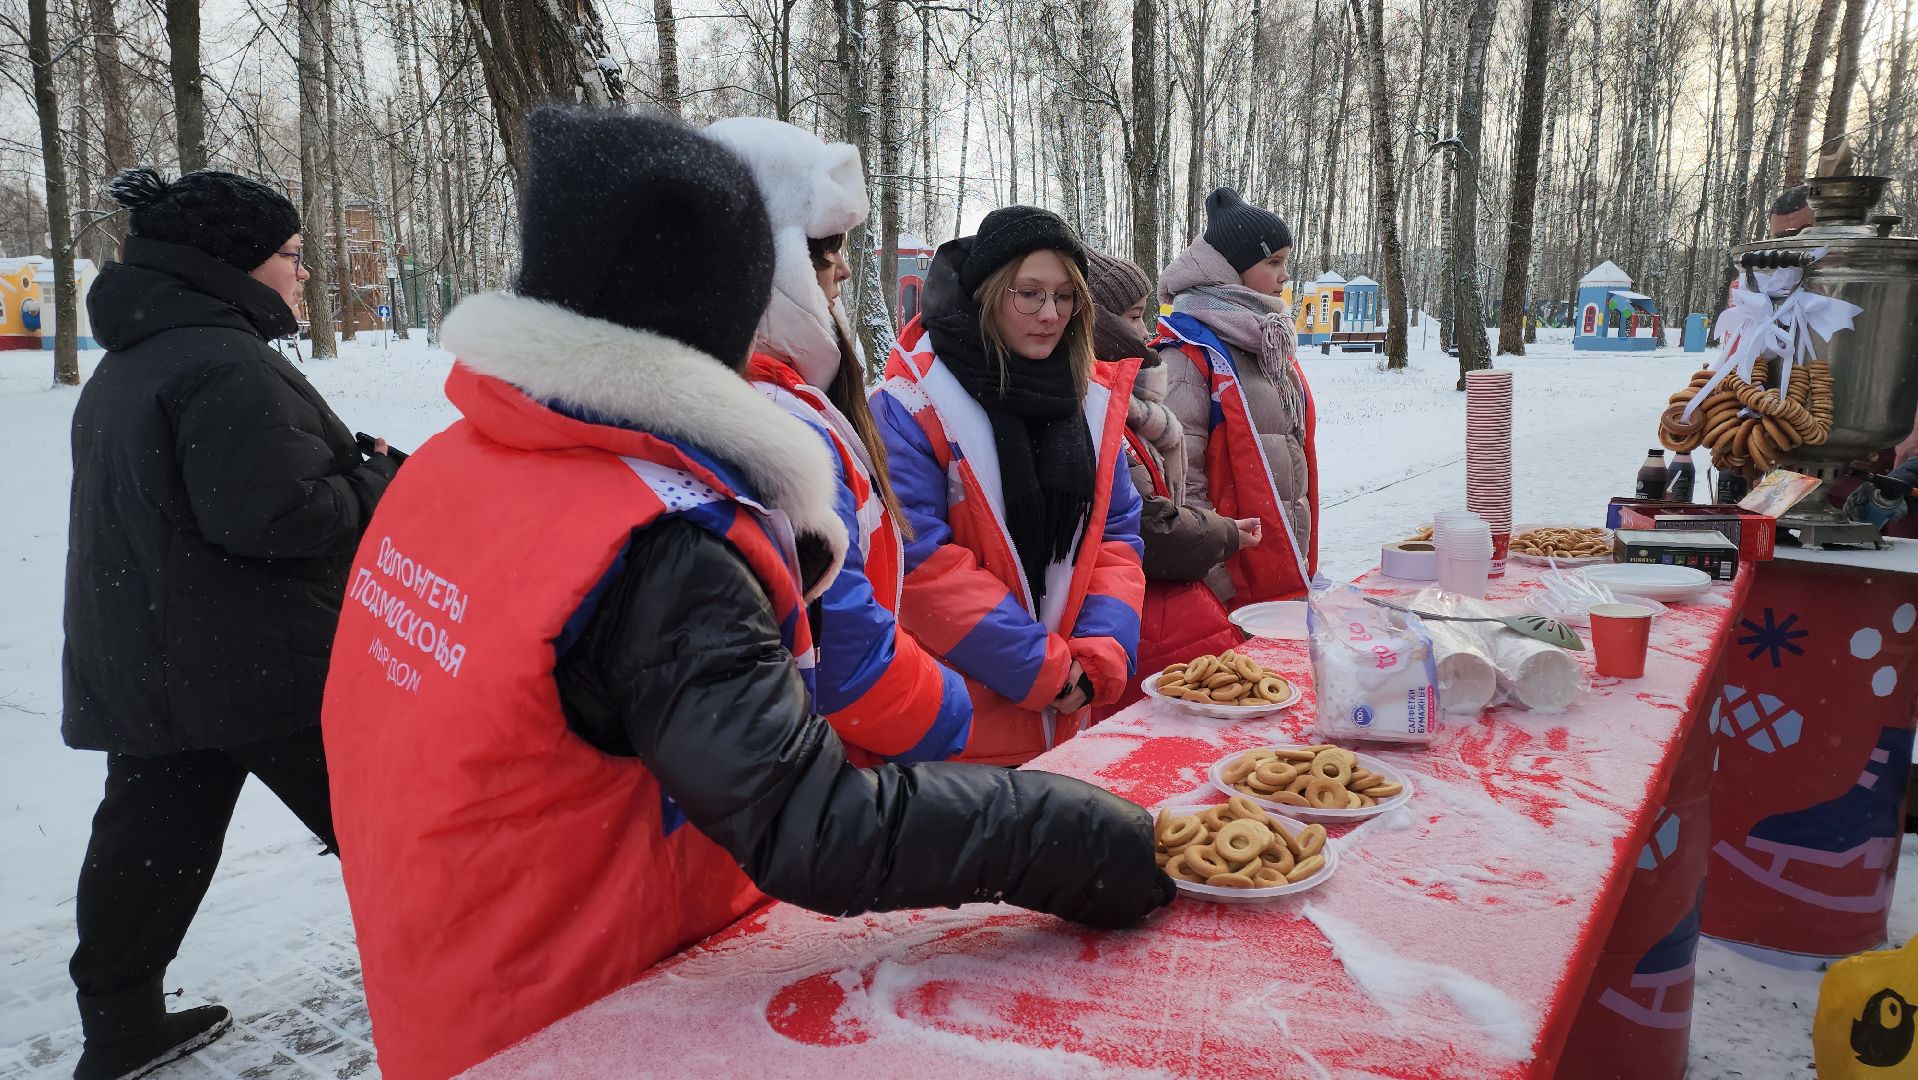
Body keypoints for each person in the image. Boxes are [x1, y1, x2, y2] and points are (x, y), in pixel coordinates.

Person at [320, 108, 1171, 1080]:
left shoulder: (449, 465)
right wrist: (1061, 834)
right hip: (587, 1008)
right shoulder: (659, 539)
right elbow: (811, 826)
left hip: (455, 974)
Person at [62, 168, 397, 1080]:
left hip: (158, 654)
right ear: (235, 263)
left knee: (150, 841)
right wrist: (373, 481)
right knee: (397, 818)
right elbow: (273, 516)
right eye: (292, 256)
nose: (303, 274)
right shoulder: (223, 361)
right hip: (258, 662)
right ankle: (487, 980)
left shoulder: (140, 355)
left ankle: (121, 1022)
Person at [704, 116, 970, 764]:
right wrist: (951, 711)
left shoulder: (758, 397)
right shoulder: (777, 429)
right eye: (827, 253)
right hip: (841, 766)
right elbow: (846, 656)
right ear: (776, 265)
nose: (843, 273)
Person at [872, 207, 1147, 765]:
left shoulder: (1090, 403)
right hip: (955, 726)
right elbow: (919, 563)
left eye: (1065, 296)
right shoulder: (913, 403)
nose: (1050, 314)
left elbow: (1116, 540)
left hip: (1067, 716)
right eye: (1029, 294)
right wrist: (1039, 667)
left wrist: (1100, 652)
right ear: (988, 293)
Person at [1085, 250, 1248, 716]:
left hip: (1155, 598)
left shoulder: (1137, 402)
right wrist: (1222, 532)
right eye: (1134, 317)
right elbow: (1143, 526)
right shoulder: (1101, 408)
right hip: (1135, 612)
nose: (1144, 330)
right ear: (1101, 325)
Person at [1155, 186, 1317, 607]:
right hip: (1230, 580)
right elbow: (1182, 480)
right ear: (1231, 268)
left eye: (1286, 262)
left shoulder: (1265, 340)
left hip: (1278, 565)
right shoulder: (1188, 353)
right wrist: (1216, 580)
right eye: (1273, 262)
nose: (1284, 276)